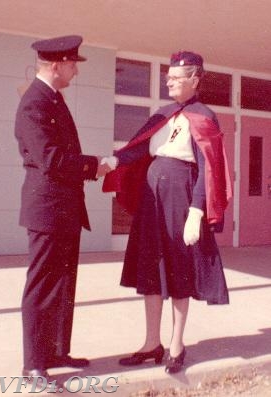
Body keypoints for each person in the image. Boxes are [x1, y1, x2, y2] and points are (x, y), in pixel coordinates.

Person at [102, 51, 232, 374]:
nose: (169, 81)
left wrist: (196, 211)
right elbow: (137, 146)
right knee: (150, 268)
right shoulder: (160, 114)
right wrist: (116, 161)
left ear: (195, 80)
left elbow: (208, 169)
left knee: (178, 271)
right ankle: (151, 343)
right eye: (168, 77)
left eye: (176, 77)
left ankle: (176, 344)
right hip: (152, 197)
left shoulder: (206, 116)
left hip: (180, 196)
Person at [15, 35, 109, 388]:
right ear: (56, 65)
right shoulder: (33, 104)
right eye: (72, 64)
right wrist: (93, 165)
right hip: (47, 210)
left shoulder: (52, 98)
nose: (75, 71)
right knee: (41, 287)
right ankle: (33, 365)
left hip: (64, 209)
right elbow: (50, 159)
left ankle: (55, 351)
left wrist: (90, 166)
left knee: (64, 283)